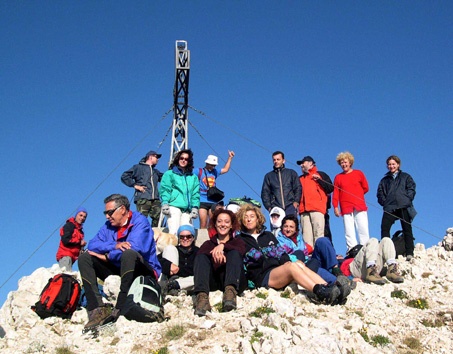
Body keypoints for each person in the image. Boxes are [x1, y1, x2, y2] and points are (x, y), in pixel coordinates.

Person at [78, 194, 161, 332]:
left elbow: (135, 248)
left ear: (122, 209)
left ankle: (120, 306)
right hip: (119, 268)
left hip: (142, 270)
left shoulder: (140, 222)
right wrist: (114, 245)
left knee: (129, 255)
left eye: (109, 212)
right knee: (85, 258)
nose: (107, 216)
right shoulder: (108, 226)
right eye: (105, 212)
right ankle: (96, 309)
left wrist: (107, 256)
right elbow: (92, 244)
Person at [236, 204, 350, 305]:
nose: (249, 219)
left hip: (278, 270)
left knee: (298, 265)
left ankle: (330, 288)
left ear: (258, 219)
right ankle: (319, 292)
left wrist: (290, 262)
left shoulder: (267, 236)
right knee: (291, 266)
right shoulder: (240, 240)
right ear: (242, 220)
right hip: (262, 276)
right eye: (245, 217)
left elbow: (281, 254)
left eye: (252, 216)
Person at [193, 209, 247, 316]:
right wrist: (215, 253)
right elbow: (201, 259)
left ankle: (230, 293)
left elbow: (241, 250)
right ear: (215, 224)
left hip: (235, 280)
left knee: (234, 253)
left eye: (226, 222)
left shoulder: (238, 241)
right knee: (201, 257)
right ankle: (202, 297)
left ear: (231, 225)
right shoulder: (208, 244)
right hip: (215, 280)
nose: (223, 225)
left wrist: (223, 246)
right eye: (219, 221)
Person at [276, 215, 340, 285]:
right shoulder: (278, 241)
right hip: (297, 267)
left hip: (308, 262)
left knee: (322, 241)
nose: (288, 229)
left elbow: (309, 251)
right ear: (282, 227)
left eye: (291, 227)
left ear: (296, 229)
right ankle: (336, 282)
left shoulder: (299, 239)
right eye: (286, 226)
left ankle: (336, 270)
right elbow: (281, 256)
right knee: (302, 256)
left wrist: (332, 255)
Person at [377, 155, 417, 261]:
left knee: (407, 229)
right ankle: (386, 253)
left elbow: (411, 188)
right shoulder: (384, 180)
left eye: (393, 164)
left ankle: (409, 252)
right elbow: (379, 193)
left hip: (403, 206)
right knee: (385, 229)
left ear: (398, 165)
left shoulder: (405, 176)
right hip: (390, 207)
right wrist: (385, 202)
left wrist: (407, 200)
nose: (391, 166)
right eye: (389, 164)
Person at [332, 151, 370, 251]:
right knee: (349, 230)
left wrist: (358, 196)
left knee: (362, 227)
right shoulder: (338, 177)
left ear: (350, 162)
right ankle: (352, 249)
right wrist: (335, 206)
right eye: (341, 163)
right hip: (345, 207)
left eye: (345, 162)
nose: (344, 164)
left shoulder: (358, 173)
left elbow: (365, 187)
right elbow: (335, 193)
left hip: (359, 205)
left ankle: (366, 248)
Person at [159, 149, 200, 235]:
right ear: (177, 159)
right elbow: (165, 189)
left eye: (186, 159)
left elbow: (195, 194)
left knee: (187, 234)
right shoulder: (169, 174)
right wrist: (165, 203)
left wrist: (195, 207)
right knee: (174, 232)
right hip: (173, 206)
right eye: (181, 158)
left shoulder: (193, 177)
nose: (183, 160)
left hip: (187, 210)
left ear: (189, 161)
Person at [297, 156, 334, 248]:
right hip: (303, 211)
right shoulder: (300, 178)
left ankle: (320, 255)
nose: (301, 165)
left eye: (303, 163)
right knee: (306, 237)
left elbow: (330, 188)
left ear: (311, 163)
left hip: (317, 209)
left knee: (319, 234)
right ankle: (309, 258)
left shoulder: (320, 174)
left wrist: (320, 180)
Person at [121, 150, 163, 227]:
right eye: (156, 157)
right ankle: (141, 236)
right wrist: (135, 185)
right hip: (143, 198)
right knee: (141, 220)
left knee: (159, 218)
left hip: (155, 199)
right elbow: (125, 176)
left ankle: (154, 235)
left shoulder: (156, 172)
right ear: (150, 157)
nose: (158, 159)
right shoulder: (138, 167)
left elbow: (165, 178)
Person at [339, 238, 404, 284]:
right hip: (354, 271)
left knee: (386, 240)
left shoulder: (347, 259)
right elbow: (336, 274)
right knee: (373, 240)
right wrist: (350, 279)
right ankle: (370, 271)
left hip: (372, 268)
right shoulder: (339, 261)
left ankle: (391, 269)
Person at [158, 224, 199, 296]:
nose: (185, 239)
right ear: (179, 238)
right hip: (171, 277)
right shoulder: (174, 250)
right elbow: (155, 260)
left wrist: (179, 270)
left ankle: (173, 285)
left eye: (188, 236)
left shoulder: (198, 252)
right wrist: (168, 265)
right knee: (170, 248)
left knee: (199, 278)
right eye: (182, 237)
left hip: (187, 282)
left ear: (193, 238)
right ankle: (170, 284)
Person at [197, 151, 235, 229]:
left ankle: (211, 239)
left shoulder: (215, 172)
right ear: (207, 163)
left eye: (214, 165)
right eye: (211, 165)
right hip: (201, 200)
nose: (213, 167)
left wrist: (230, 158)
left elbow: (225, 169)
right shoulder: (199, 171)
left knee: (212, 222)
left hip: (212, 200)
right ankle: (202, 240)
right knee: (203, 222)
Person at [261, 151, 301, 217]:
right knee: (277, 227)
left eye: (278, 159)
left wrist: (296, 201)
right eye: (274, 160)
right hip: (276, 207)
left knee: (290, 226)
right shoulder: (268, 176)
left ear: (283, 160)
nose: (276, 161)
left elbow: (298, 187)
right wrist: (269, 207)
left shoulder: (291, 173)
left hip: (290, 206)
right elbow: (265, 192)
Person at [56, 207, 88, 272]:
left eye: (84, 217)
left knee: (68, 275)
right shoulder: (69, 226)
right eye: (80, 215)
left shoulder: (80, 231)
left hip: (72, 258)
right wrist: (79, 243)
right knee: (65, 276)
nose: (82, 218)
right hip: (65, 255)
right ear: (76, 215)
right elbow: (66, 240)